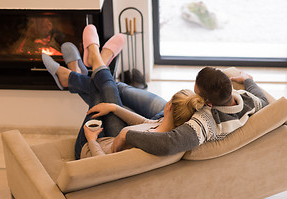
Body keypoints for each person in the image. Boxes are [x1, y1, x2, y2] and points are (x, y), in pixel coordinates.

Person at [42, 24, 204, 159]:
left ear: (168, 106)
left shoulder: (146, 142)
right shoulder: (165, 128)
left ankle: (89, 62)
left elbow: (105, 163)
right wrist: (114, 108)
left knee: (102, 92)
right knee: (107, 96)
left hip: (90, 149)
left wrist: (91, 140)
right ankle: (86, 68)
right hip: (111, 139)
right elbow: (145, 123)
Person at [111, 66, 270, 155]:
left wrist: (127, 135)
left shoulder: (208, 122)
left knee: (116, 89)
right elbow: (263, 101)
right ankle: (103, 73)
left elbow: (169, 144)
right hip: (168, 112)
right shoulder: (247, 100)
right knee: (121, 89)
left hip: (168, 117)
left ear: (207, 102)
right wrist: (248, 80)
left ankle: (101, 70)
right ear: (229, 83)